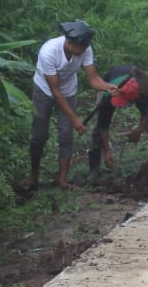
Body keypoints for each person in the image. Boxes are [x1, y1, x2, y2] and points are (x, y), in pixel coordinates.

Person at [25, 20, 120, 190]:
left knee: (66, 134)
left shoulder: (85, 48)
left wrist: (108, 87)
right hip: (45, 90)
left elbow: (93, 79)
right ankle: (33, 175)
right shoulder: (48, 52)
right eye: (82, 48)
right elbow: (55, 92)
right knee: (39, 135)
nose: (84, 51)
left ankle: (62, 180)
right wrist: (75, 119)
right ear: (70, 43)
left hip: (68, 90)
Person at [87, 65, 148, 182]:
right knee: (97, 132)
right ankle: (93, 169)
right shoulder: (108, 95)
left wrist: (139, 130)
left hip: (142, 92)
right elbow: (102, 125)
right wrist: (107, 151)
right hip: (110, 83)